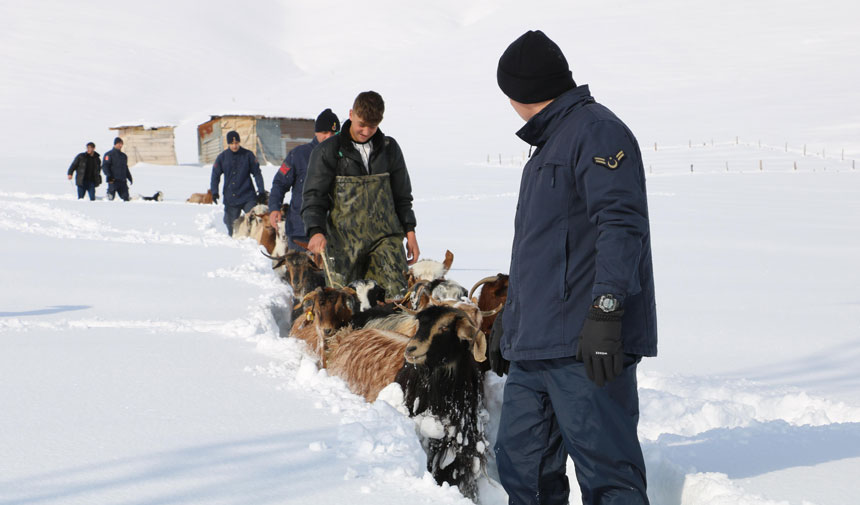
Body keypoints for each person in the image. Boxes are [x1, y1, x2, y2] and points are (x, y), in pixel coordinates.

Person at [492, 30, 657, 505]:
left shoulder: (595, 132)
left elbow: (622, 226)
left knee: (608, 478)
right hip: (537, 344)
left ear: (517, 91)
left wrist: (606, 311)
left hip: (587, 344)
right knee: (522, 468)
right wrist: (512, 320)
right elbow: (540, 250)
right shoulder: (550, 145)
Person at [302, 91, 420, 296]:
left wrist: (410, 232)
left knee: (396, 298)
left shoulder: (389, 149)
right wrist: (315, 230)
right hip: (343, 243)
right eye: (361, 124)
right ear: (351, 114)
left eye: (372, 127)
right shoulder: (327, 151)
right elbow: (314, 196)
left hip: (386, 239)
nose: (365, 131)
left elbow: (402, 195)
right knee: (342, 303)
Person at [268, 108, 340, 250]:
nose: (329, 137)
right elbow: (280, 183)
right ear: (316, 132)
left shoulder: (344, 158)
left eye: (333, 133)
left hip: (331, 233)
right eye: (324, 132)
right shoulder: (298, 154)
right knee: (298, 272)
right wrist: (274, 208)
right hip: (300, 231)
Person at [210, 130, 266, 235]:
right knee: (231, 225)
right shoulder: (222, 157)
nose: (234, 146)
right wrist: (214, 192)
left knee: (255, 221)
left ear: (239, 142)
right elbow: (215, 176)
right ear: (228, 144)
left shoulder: (248, 155)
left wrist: (261, 191)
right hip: (231, 197)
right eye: (232, 144)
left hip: (247, 196)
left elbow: (257, 173)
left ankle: (253, 241)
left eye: (236, 143)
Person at [102, 137, 132, 201]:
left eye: (121, 144)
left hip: (122, 181)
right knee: (110, 199)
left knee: (126, 198)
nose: (120, 145)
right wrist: (109, 175)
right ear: (115, 144)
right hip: (112, 180)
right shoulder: (109, 154)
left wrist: (129, 177)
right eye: (119, 144)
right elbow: (105, 166)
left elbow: (125, 168)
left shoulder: (123, 156)